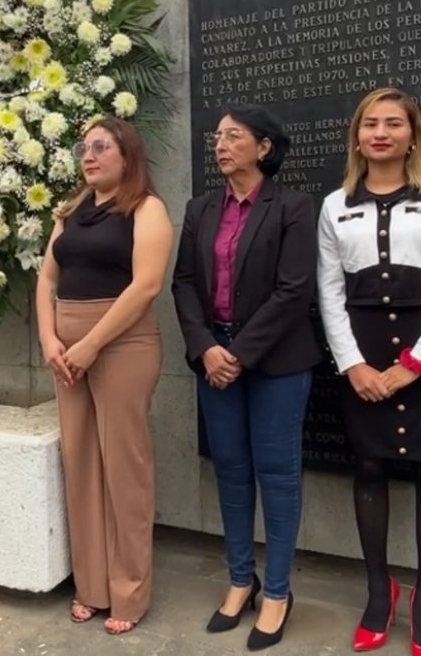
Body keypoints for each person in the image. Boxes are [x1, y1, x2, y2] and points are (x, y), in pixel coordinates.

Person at [316, 88, 421, 656]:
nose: (380, 133)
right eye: (369, 124)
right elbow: (330, 292)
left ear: (412, 134)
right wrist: (353, 364)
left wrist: (414, 365)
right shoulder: (336, 204)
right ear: (357, 136)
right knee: (368, 465)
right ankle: (377, 591)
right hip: (363, 345)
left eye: (393, 123)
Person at [171, 105, 320, 651]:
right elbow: (184, 283)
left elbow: (294, 290)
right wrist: (207, 348)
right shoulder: (201, 208)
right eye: (217, 137)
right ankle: (241, 580)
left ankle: (277, 590)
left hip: (276, 361)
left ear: (264, 147)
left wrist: (239, 353)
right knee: (231, 473)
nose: (221, 145)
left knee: (278, 475)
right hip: (214, 358)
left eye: (234, 136)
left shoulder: (294, 207)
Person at [36, 117, 173, 636]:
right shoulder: (70, 211)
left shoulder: (145, 208)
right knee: (80, 463)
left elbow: (146, 286)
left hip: (121, 346)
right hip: (66, 352)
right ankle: (91, 585)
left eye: (101, 147)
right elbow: (47, 277)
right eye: (83, 148)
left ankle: (129, 593)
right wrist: (51, 341)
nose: (89, 155)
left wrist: (91, 344)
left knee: (124, 467)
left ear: (126, 155)